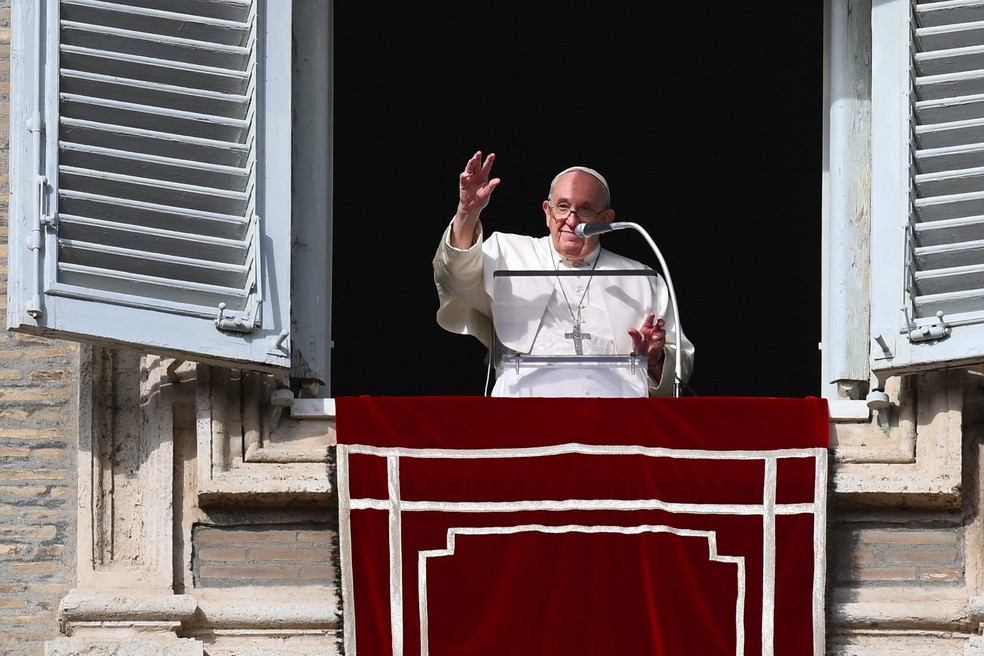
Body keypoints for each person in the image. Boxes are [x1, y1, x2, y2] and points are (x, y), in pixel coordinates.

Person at [433, 151, 694, 397]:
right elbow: (453, 276)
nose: (571, 220)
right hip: (523, 413)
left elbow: (679, 369)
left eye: (585, 209)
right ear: (547, 212)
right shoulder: (507, 252)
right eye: (562, 206)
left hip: (614, 420)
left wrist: (654, 360)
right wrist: (467, 213)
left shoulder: (642, 279)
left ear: (606, 220)